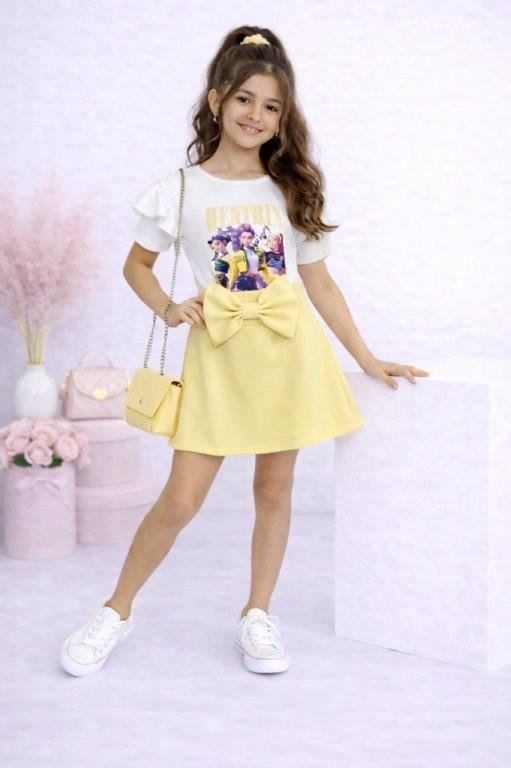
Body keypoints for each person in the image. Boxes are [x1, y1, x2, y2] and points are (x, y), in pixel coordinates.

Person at [59, 26, 430, 678]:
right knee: (181, 499)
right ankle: (115, 610)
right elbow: (137, 266)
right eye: (244, 99)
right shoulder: (179, 189)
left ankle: (257, 613)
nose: (256, 115)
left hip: (286, 357)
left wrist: (367, 358)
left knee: (273, 489)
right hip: (218, 361)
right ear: (216, 100)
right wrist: (169, 308)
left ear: (283, 118)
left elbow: (319, 282)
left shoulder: (290, 188)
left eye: (271, 106)